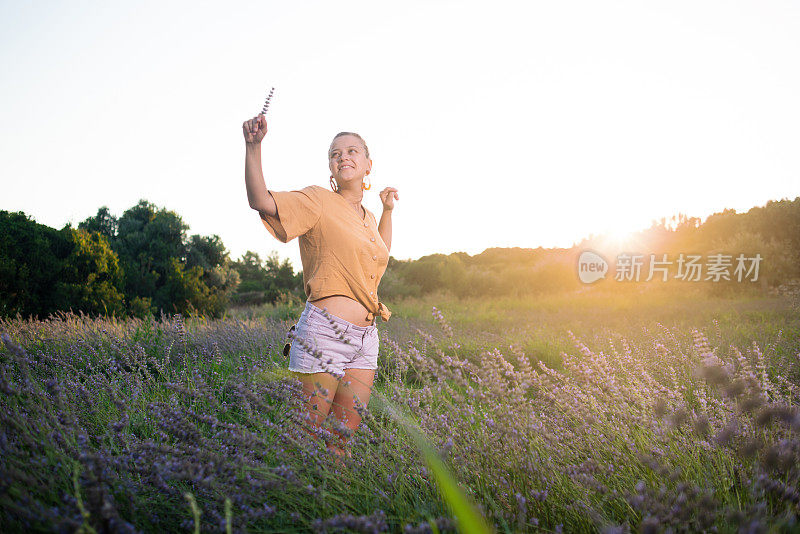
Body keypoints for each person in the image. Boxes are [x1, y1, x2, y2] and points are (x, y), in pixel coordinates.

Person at [242, 112, 399, 460]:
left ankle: (332, 509)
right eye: (335, 153)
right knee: (304, 440)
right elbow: (261, 201)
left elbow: (380, 254)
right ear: (331, 169)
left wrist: (387, 211)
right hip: (324, 333)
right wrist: (253, 147)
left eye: (352, 151)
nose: (343, 156)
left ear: (368, 164)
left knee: (340, 442)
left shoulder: (368, 217)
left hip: (366, 339)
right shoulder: (317, 200)